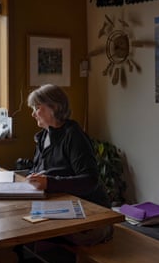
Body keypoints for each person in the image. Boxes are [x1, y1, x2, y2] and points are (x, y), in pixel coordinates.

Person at [26, 83, 113, 246]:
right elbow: (40, 171)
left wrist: (50, 182)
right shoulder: (43, 136)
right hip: (63, 206)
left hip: (92, 213)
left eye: (37, 108)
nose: (33, 114)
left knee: (33, 232)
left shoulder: (73, 135)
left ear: (54, 107)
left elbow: (90, 180)